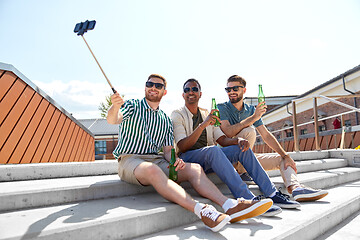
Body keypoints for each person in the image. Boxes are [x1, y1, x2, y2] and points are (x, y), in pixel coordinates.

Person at [107, 74, 273, 232]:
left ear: (164, 92)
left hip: (157, 159)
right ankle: (202, 210)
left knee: (194, 169)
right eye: (150, 84)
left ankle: (230, 205)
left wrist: (175, 160)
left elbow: (167, 150)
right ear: (145, 88)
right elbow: (114, 119)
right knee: (152, 170)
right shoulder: (132, 105)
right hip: (131, 159)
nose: (153, 88)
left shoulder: (165, 119)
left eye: (158, 85)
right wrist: (114, 107)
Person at [171, 78, 300, 215]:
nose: (191, 92)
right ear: (183, 95)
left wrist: (237, 141)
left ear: (200, 94)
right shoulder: (177, 114)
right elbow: (182, 146)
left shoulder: (206, 114)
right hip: (188, 159)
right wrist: (203, 125)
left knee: (241, 149)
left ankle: (272, 193)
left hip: (209, 159)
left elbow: (221, 139)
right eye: (187, 90)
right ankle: (248, 199)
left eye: (194, 89)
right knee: (213, 150)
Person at [217, 75, 328, 202]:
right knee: (249, 130)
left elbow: (266, 135)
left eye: (235, 88)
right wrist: (253, 118)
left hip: (247, 158)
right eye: (228, 89)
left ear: (244, 90)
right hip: (229, 160)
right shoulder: (222, 108)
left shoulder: (251, 110)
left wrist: (285, 155)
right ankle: (242, 170)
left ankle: (296, 189)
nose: (231, 92)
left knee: (283, 159)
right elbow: (228, 132)